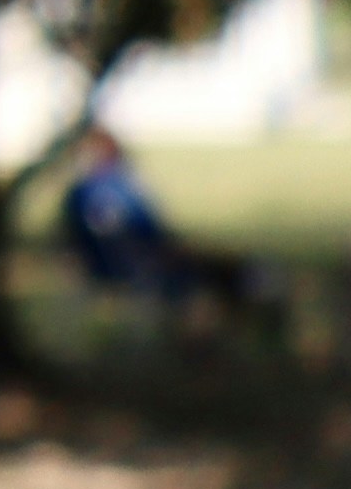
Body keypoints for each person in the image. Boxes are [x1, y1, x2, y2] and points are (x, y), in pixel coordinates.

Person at [54, 125, 278, 334]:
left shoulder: (80, 193)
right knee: (224, 269)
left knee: (218, 265)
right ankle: (253, 311)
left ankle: (248, 309)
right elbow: (146, 234)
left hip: (125, 265)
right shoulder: (114, 188)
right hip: (141, 266)